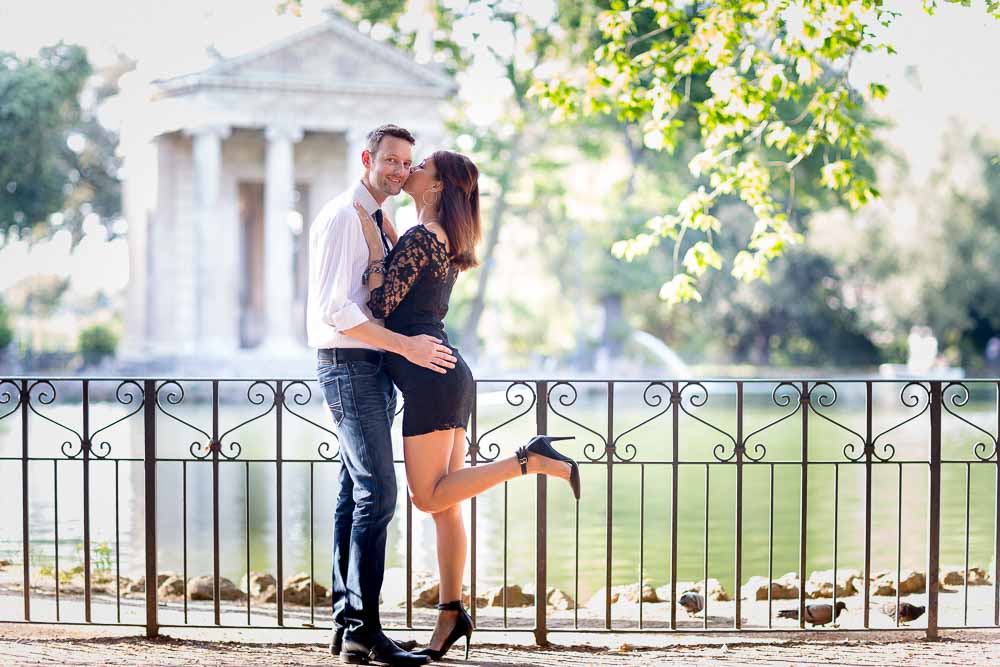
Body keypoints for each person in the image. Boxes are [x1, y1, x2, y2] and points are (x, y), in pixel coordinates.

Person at [355, 149, 581, 662]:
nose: (409, 171)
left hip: (431, 377)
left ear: (435, 186)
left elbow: (381, 307)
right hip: (446, 374)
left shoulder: (420, 238)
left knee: (429, 499)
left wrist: (374, 255)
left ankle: (531, 460)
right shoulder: (440, 238)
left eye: (420, 168)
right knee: (448, 508)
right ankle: (451, 613)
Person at [307, 124, 454, 667]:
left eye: (406, 163)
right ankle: (368, 631)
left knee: (353, 497)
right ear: (368, 158)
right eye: (390, 160)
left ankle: (350, 631)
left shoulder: (381, 222)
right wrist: (406, 347)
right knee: (379, 494)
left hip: (373, 367)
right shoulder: (345, 216)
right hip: (348, 365)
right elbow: (335, 311)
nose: (398, 170)